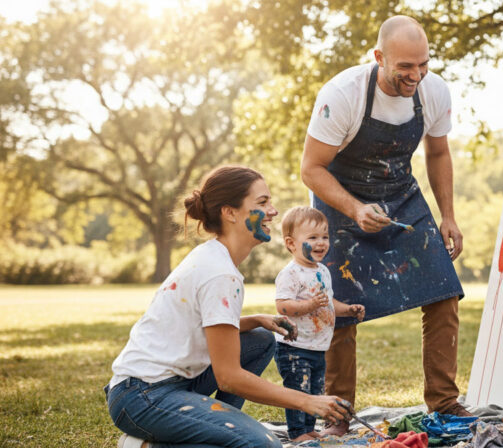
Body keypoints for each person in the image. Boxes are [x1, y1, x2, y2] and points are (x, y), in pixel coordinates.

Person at [301, 15, 469, 434]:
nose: (416, 75)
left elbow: (438, 154)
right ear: (379, 57)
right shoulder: (342, 94)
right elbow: (311, 169)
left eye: (423, 64)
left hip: (401, 196)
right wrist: (356, 208)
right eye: (405, 67)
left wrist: (447, 215)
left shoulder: (434, 92)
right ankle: (338, 413)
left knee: (445, 291)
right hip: (340, 199)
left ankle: (445, 403)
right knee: (340, 308)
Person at [105, 166, 349, 448]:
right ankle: (149, 445)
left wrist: (256, 319)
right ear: (230, 213)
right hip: (142, 395)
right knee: (263, 445)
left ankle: (221, 429)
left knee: (260, 341)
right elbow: (229, 377)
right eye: (262, 203)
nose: (273, 210)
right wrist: (309, 401)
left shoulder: (214, 256)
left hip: (176, 382)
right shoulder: (220, 273)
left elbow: (203, 325)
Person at [272, 206, 366, 442]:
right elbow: (282, 306)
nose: (321, 242)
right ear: (291, 244)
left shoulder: (323, 270)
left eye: (325, 236)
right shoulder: (291, 273)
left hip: (316, 347)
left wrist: (347, 309)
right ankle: (297, 433)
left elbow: (328, 301)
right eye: (312, 238)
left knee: (314, 391)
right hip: (293, 347)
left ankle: (310, 428)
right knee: (298, 391)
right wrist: (308, 306)